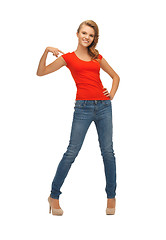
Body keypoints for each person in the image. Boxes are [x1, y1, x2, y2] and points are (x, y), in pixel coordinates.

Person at [36, 20, 120, 216]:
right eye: (84, 33)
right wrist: (46, 51)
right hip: (82, 108)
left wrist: (111, 95)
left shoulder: (97, 57)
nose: (87, 37)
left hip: (104, 107)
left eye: (90, 35)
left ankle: (111, 197)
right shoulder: (68, 58)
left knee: (108, 152)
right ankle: (54, 195)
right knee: (71, 152)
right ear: (77, 34)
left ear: (93, 38)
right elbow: (41, 72)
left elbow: (116, 77)